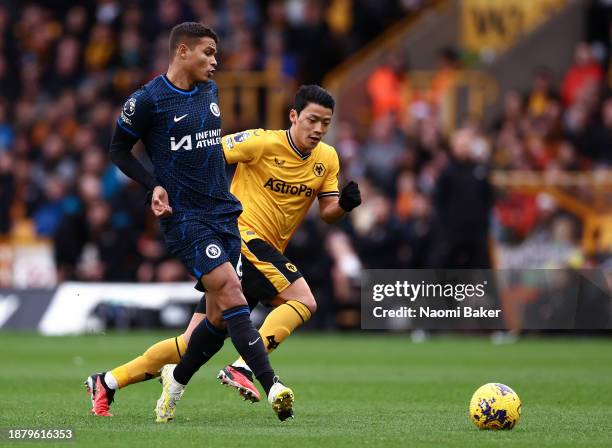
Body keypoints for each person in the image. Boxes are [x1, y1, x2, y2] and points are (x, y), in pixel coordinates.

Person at [86, 85, 361, 419]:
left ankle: (108, 381)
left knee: (192, 342)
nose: (318, 129)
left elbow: (328, 212)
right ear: (293, 116)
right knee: (304, 300)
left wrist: (344, 205)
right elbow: (207, 157)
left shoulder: (327, 159)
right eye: (312, 120)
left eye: (325, 123)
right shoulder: (260, 142)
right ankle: (244, 366)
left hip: (265, 251)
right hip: (240, 238)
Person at [84, 22, 291, 423]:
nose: (215, 61)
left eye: (216, 54)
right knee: (234, 294)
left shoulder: (209, 92)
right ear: (182, 51)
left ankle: (119, 382)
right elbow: (118, 149)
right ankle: (274, 386)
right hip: (187, 220)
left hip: (224, 215)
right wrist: (153, 185)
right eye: (208, 53)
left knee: (214, 322)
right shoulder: (148, 100)